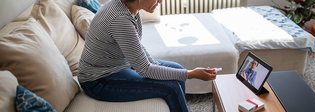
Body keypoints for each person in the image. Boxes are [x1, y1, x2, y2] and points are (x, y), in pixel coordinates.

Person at [77, 0, 217, 112]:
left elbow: (135, 45)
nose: (161, 1)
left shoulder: (130, 8)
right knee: (172, 86)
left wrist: (154, 63)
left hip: (119, 65)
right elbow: (145, 69)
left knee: (177, 68)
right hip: (98, 80)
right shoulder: (120, 19)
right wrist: (192, 74)